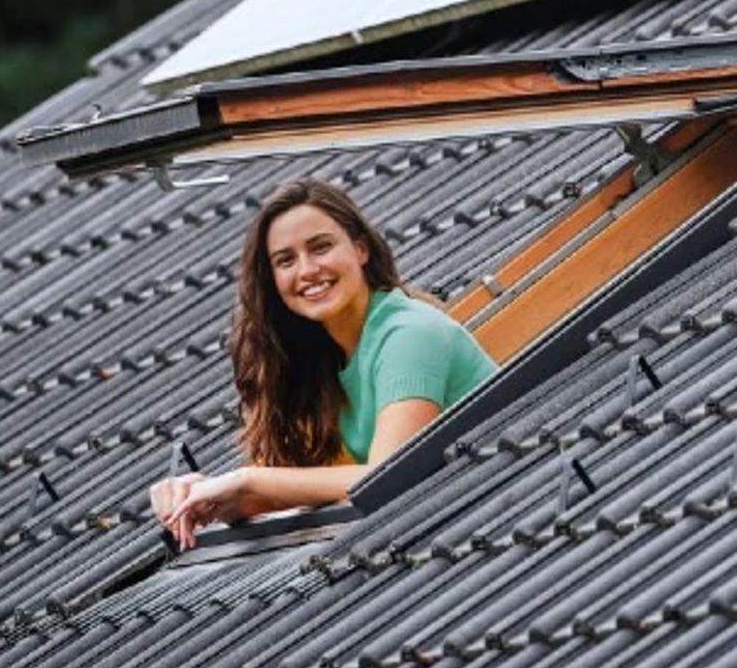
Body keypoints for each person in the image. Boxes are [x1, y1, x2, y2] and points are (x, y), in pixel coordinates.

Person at [148, 178, 495, 550]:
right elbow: (313, 488)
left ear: (360, 249)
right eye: (286, 260)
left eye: (321, 247)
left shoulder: (410, 334)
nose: (307, 270)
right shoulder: (321, 361)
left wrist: (247, 480)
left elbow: (389, 476)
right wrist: (207, 497)